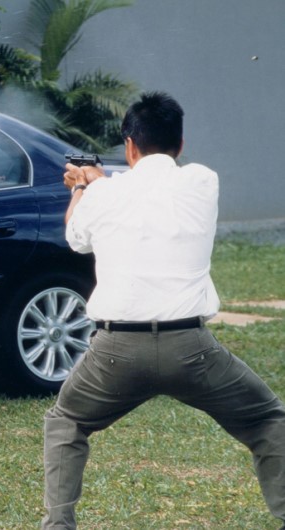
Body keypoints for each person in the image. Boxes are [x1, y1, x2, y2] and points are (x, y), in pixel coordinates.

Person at [42, 91, 285, 529]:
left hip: (114, 350)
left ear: (129, 145)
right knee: (268, 419)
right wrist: (101, 181)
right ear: (181, 143)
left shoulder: (102, 195)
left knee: (66, 423)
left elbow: (77, 238)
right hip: (191, 347)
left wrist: (82, 185)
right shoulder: (203, 181)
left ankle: (58, 524)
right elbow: (151, 190)